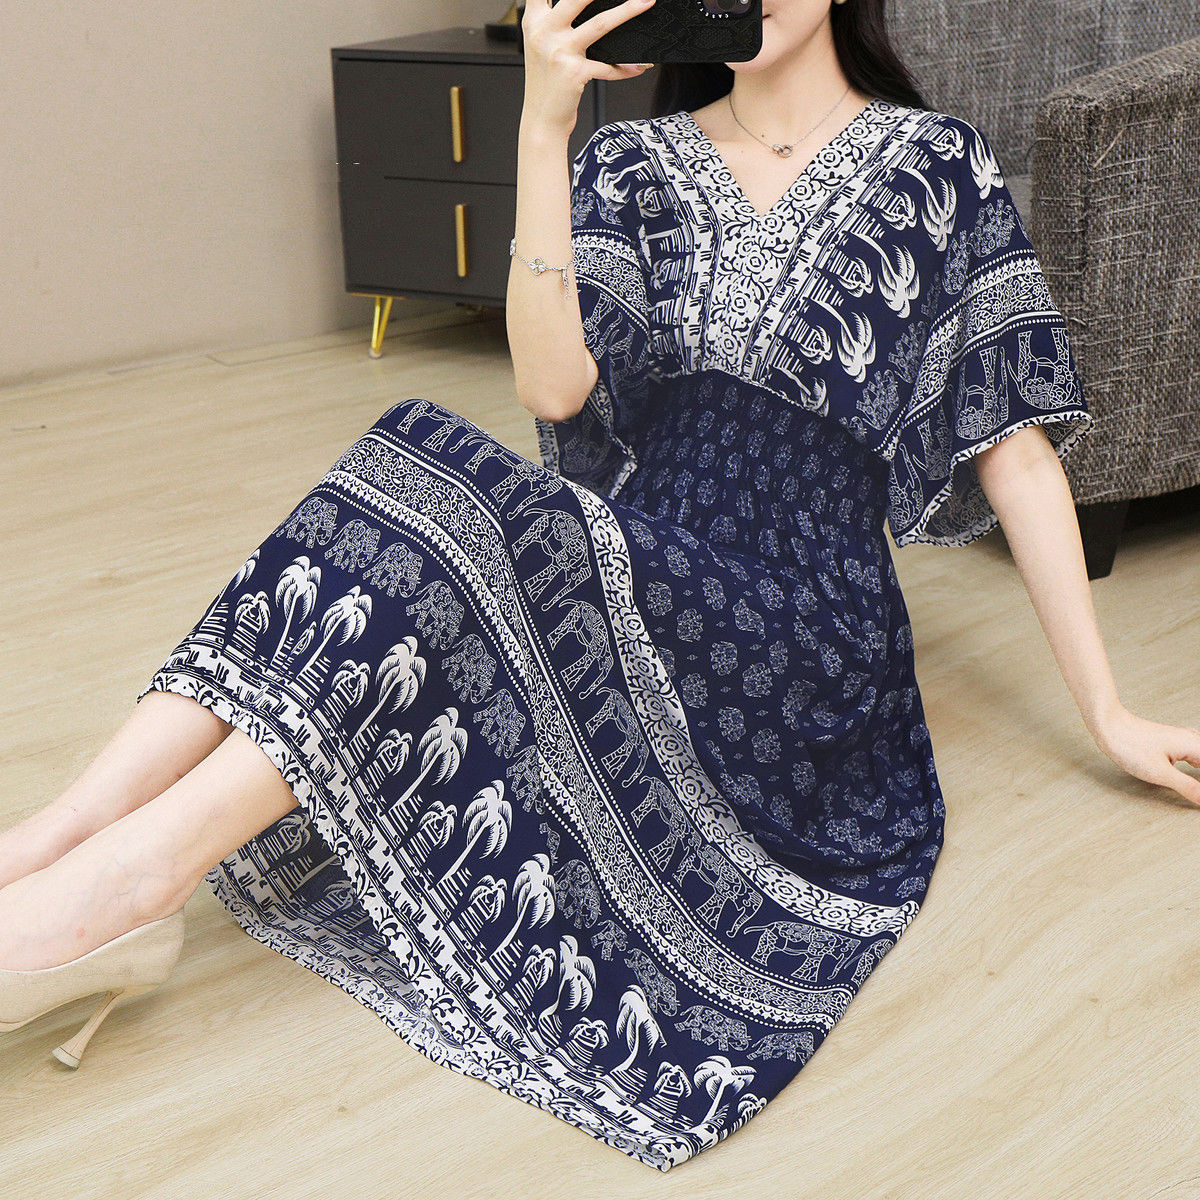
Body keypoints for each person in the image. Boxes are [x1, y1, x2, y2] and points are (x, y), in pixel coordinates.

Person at [2, 0, 1198, 1172]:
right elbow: (553, 390)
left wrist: (1107, 709)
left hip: (799, 634)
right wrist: (542, 125)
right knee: (412, 456)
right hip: (636, 560)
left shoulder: (936, 165)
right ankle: (65, 837)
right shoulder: (635, 163)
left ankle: (129, 884)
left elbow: (1016, 452)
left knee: (453, 501)